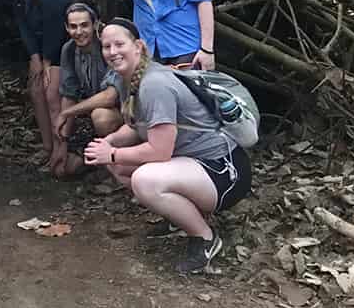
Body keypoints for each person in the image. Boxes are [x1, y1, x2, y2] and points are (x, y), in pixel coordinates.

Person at [83, 19, 251, 274]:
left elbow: (159, 151)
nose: (112, 52)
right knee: (119, 167)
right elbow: (136, 126)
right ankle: (179, 218)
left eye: (119, 44)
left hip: (225, 172)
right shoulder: (134, 78)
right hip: (198, 168)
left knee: (144, 179)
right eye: (106, 46)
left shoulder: (154, 84)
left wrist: (114, 153)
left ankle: (205, 238)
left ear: (138, 46)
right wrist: (110, 142)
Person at [4, 0, 75, 168]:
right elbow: (23, 25)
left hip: (65, 49)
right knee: (35, 89)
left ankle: (60, 148)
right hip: (44, 50)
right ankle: (47, 146)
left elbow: (56, 31)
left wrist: (45, 62)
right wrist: (34, 57)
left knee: (51, 92)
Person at [51, 0, 124, 178]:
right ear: (66, 28)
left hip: (124, 114)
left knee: (101, 116)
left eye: (84, 25)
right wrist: (62, 144)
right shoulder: (69, 50)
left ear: (95, 25)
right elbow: (69, 94)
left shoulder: (109, 48)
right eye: (73, 27)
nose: (79, 32)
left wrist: (67, 113)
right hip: (89, 116)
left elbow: (109, 97)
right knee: (65, 170)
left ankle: (116, 168)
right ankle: (94, 161)